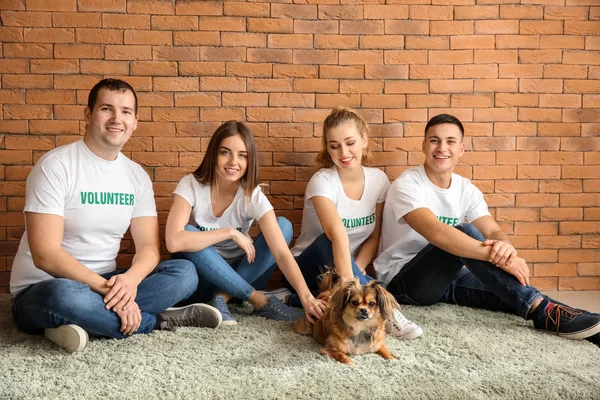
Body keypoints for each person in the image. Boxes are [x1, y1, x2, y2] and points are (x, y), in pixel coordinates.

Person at [10, 79, 221, 353]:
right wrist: (112, 293)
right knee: (61, 295)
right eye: (106, 109)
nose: (116, 119)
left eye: (125, 112)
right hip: (44, 287)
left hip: (107, 280)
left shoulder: (137, 176)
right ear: (88, 115)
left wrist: (130, 281)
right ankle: (155, 322)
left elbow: (148, 248)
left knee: (185, 273)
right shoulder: (55, 166)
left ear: (135, 121)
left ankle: (85, 323)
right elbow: (46, 255)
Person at [374, 113, 600, 345]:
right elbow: (437, 233)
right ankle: (546, 313)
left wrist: (507, 251)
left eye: (450, 141)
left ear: (461, 149)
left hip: (448, 278)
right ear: (423, 145)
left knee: (515, 295)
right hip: (403, 282)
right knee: (464, 232)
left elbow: (493, 231)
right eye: (434, 140)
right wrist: (500, 259)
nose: (442, 147)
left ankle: (586, 326)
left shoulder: (466, 189)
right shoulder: (408, 184)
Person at [165, 121, 326, 326]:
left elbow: (282, 253)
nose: (234, 162)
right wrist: (229, 232)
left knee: (283, 226)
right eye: (225, 152)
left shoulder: (251, 194)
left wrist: (307, 298)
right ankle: (257, 299)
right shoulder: (191, 184)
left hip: (245, 272)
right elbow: (173, 241)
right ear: (213, 153)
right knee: (187, 232)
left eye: (242, 155)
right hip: (203, 276)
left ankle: (223, 297)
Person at [287, 107, 423, 340]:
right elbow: (337, 233)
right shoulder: (322, 181)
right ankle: (388, 313)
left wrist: (358, 269)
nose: (343, 152)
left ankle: (291, 299)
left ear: (364, 140)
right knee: (325, 242)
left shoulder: (378, 180)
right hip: (311, 265)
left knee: (350, 270)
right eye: (334, 145)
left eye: (350, 143)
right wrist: (353, 282)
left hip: (347, 272)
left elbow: (373, 236)